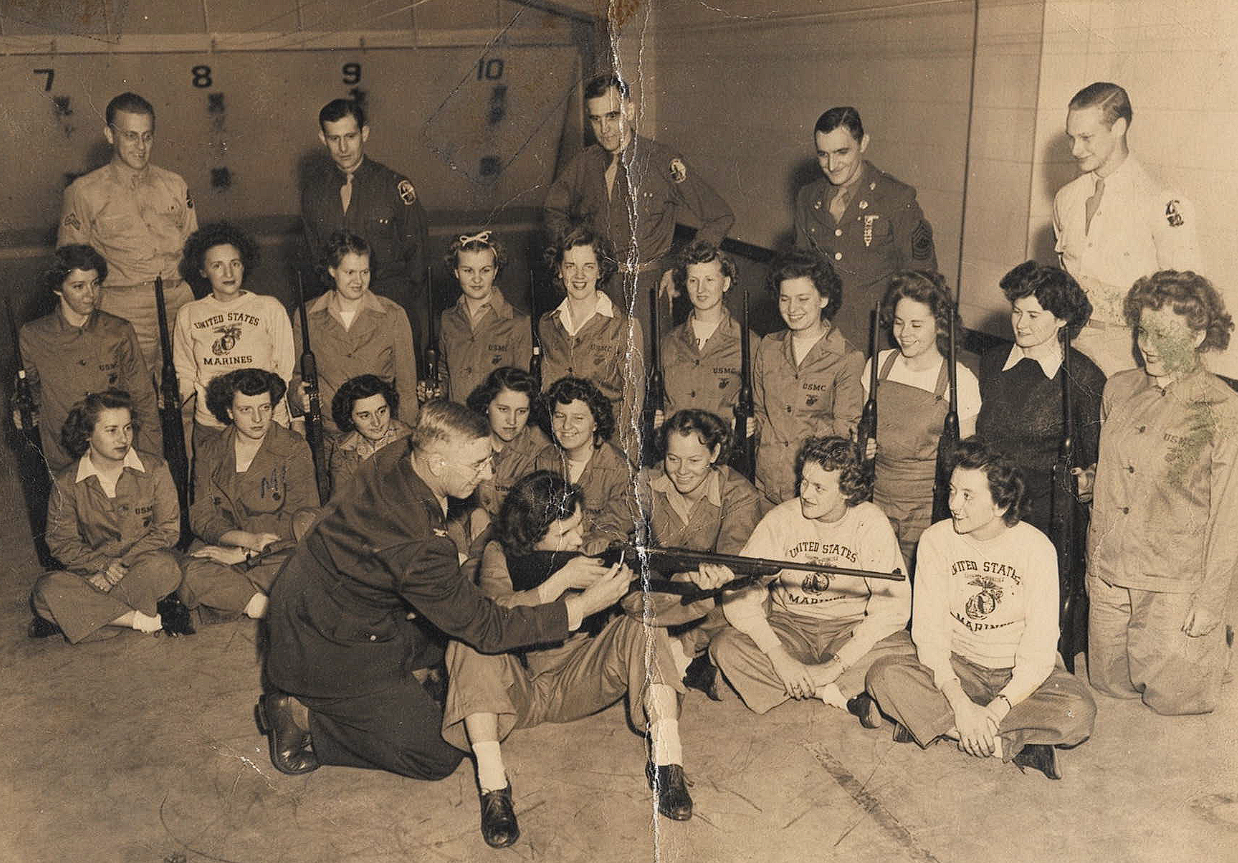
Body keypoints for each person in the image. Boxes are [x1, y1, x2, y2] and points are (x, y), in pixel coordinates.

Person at [260, 400, 630, 786]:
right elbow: (486, 626)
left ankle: (400, 676)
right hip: (326, 645)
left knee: (449, 648)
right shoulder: (420, 543)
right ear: (437, 463)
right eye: (477, 465)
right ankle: (301, 716)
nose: (488, 475)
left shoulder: (402, 453)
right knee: (439, 752)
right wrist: (580, 607)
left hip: (320, 604)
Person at [441, 470, 693, 847]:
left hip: (580, 679)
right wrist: (557, 583)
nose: (578, 539)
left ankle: (668, 761)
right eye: (565, 533)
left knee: (643, 625)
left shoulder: (591, 549)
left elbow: (647, 603)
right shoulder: (498, 554)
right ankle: (494, 788)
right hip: (515, 691)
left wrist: (699, 590)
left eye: (579, 526)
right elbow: (496, 613)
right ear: (531, 533)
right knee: (469, 641)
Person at [865, 438, 1096, 780]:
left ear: (1001, 505)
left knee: (1079, 711)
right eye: (953, 491)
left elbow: (1039, 647)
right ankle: (1002, 742)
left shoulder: (1035, 548)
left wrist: (997, 707)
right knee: (882, 675)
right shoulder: (936, 539)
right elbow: (928, 634)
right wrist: (960, 702)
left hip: (1014, 671)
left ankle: (941, 728)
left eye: (968, 496)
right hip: (958, 666)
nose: (954, 504)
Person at [1084, 270, 1238, 715]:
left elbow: (1228, 519)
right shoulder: (1117, 388)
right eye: (1142, 330)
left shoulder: (1223, 409)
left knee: (1175, 706)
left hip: (1173, 583)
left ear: (1198, 336)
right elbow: (1119, 476)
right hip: (1111, 573)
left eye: (1164, 333)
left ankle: (1217, 644)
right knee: (1109, 691)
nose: (1147, 344)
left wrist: (1209, 604)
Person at [709, 436, 908, 721]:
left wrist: (837, 664)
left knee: (903, 651)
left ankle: (798, 684)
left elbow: (893, 608)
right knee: (726, 646)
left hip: (847, 629)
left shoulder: (871, 522)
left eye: (818, 487)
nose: (806, 493)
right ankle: (838, 696)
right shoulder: (781, 519)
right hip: (790, 629)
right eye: (803, 481)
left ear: (846, 491)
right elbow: (740, 593)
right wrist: (780, 659)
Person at [543, 72, 733, 348]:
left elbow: (719, 216)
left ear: (630, 111)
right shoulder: (584, 164)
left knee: (646, 369)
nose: (605, 128)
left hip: (648, 290)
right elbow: (553, 211)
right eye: (595, 119)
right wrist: (578, 254)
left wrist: (682, 269)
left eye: (612, 116)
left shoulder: (662, 160)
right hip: (599, 287)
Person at [1053, 82, 1200, 376]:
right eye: (1071, 138)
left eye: (1086, 138)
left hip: (1129, 355)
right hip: (1066, 345)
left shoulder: (1162, 202)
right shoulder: (1065, 198)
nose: (1075, 149)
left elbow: (1187, 294)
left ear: (1118, 128)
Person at [58, 92, 198, 375]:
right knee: (129, 396)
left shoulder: (175, 185)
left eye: (147, 136)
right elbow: (70, 264)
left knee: (189, 391)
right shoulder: (84, 192)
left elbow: (196, 248)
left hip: (180, 303)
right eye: (131, 136)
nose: (140, 146)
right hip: (123, 308)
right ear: (110, 135)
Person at [29, 391, 186, 642]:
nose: (123, 438)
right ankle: (141, 619)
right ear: (87, 434)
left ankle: (77, 617)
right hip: (92, 574)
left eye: (128, 428)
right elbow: (61, 542)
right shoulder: (66, 483)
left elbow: (167, 530)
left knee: (167, 568)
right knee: (46, 589)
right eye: (111, 430)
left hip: (143, 566)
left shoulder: (156, 468)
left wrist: (122, 564)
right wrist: (102, 566)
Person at [975, 261, 1104, 535]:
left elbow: (1096, 459)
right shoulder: (993, 362)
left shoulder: (1083, 377)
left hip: (1047, 521)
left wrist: (1089, 479)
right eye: (1016, 312)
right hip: (988, 510)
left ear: (1062, 319)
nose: (1020, 324)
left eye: (1033, 316)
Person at [178, 369, 318, 621]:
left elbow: (303, 516)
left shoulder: (293, 447)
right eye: (246, 410)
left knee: (300, 565)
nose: (257, 418)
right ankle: (263, 606)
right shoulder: (210, 450)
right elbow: (201, 514)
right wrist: (243, 541)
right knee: (189, 569)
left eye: (265, 408)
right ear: (229, 412)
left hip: (277, 548)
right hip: (226, 542)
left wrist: (248, 552)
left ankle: (234, 597)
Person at [794, 106, 937, 348]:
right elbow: (800, 270)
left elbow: (922, 276)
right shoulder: (808, 197)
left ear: (863, 143)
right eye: (822, 154)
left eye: (841, 152)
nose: (832, 164)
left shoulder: (895, 197)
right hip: (821, 333)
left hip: (876, 337)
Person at [862, 271, 980, 563]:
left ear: (940, 325)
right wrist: (861, 445)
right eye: (899, 322)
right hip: (873, 502)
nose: (904, 333)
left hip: (926, 512)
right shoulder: (878, 366)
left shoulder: (959, 380)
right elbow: (860, 430)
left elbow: (966, 465)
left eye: (916, 324)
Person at [646, 409, 764, 697]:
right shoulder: (646, 483)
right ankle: (692, 662)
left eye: (694, 460)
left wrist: (704, 577)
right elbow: (615, 524)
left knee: (744, 602)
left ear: (715, 454)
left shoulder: (738, 492)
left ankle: (680, 654)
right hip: (667, 593)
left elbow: (733, 556)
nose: (682, 470)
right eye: (673, 459)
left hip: (713, 597)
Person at [301, 98, 430, 351]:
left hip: (389, 309)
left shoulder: (394, 186)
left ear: (365, 133)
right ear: (322, 138)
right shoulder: (313, 192)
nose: (343, 147)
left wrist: (396, 310)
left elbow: (419, 260)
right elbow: (315, 257)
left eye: (350, 136)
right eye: (334, 138)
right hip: (340, 318)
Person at [18, 244, 160, 472]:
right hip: (64, 458)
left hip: (117, 455)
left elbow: (143, 398)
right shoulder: (33, 335)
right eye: (78, 286)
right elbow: (30, 391)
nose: (90, 294)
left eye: (95, 284)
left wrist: (152, 462)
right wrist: (20, 410)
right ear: (58, 289)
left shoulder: (119, 330)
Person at [752, 248, 864, 505]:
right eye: (784, 299)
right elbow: (759, 413)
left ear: (823, 299)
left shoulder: (847, 358)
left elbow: (844, 431)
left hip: (814, 492)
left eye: (802, 299)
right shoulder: (768, 347)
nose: (792, 309)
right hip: (765, 486)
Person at [173, 223, 295, 449]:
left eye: (235, 264)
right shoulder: (189, 313)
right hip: (213, 426)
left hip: (264, 423)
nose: (228, 273)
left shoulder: (269, 307)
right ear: (202, 270)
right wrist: (173, 398)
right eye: (217, 265)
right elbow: (186, 374)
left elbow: (285, 371)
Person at [290, 231, 418, 434]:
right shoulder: (306, 316)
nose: (358, 280)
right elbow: (297, 375)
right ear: (332, 270)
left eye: (364, 272)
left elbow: (407, 387)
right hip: (330, 433)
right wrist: (298, 397)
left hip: (381, 433)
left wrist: (407, 436)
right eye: (350, 272)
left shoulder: (392, 314)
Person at [538, 227, 644, 459]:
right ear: (559, 271)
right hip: (559, 449)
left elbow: (633, 406)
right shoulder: (546, 324)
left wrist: (619, 458)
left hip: (608, 451)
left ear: (599, 271)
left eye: (588, 266)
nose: (579, 275)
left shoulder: (625, 327)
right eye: (570, 266)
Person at [530, 376, 641, 555]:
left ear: (595, 423)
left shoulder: (619, 470)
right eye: (560, 416)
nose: (566, 425)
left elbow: (609, 534)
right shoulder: (544, 459)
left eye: (578, 418)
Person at [657, 240, 757, 426]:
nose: (700, 289)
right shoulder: (669, 342)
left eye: (709, 280)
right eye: (693, 280)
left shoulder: (748, 343)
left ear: (725, 283)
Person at [434, 231, 532, 404]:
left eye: (485, 270)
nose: (477, 279)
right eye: (468, 270)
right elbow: (444, 375)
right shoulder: (447, 319)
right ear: (456, 272)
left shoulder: (518, 322)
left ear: (495, 271)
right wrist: (434, 389)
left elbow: (523, 387)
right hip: (457, 423)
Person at [466, 367, 549, 522]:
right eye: (503, 409)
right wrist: (474, 509)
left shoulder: (540, 453)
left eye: (522, 411)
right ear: (486, 406)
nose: (512, 421)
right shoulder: (465, 438)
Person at [327, 375, 414, 498]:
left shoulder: (411, 441)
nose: (376, 422)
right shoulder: (343, 448)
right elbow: (340, 503)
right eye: (365, 416)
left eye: (381, 411)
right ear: (350, 418)